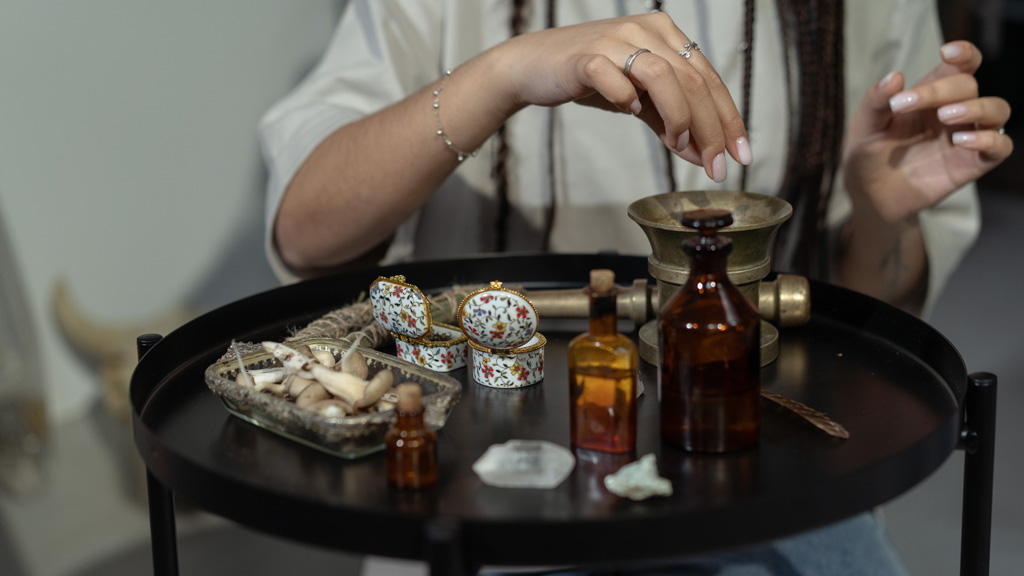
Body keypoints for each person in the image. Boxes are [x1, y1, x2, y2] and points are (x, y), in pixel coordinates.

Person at [258, 1, 1012, 573]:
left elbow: (864, 325)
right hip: (491, 486)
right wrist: (501, 75)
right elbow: (306, 232)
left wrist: (881, 215)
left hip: (758, 474)